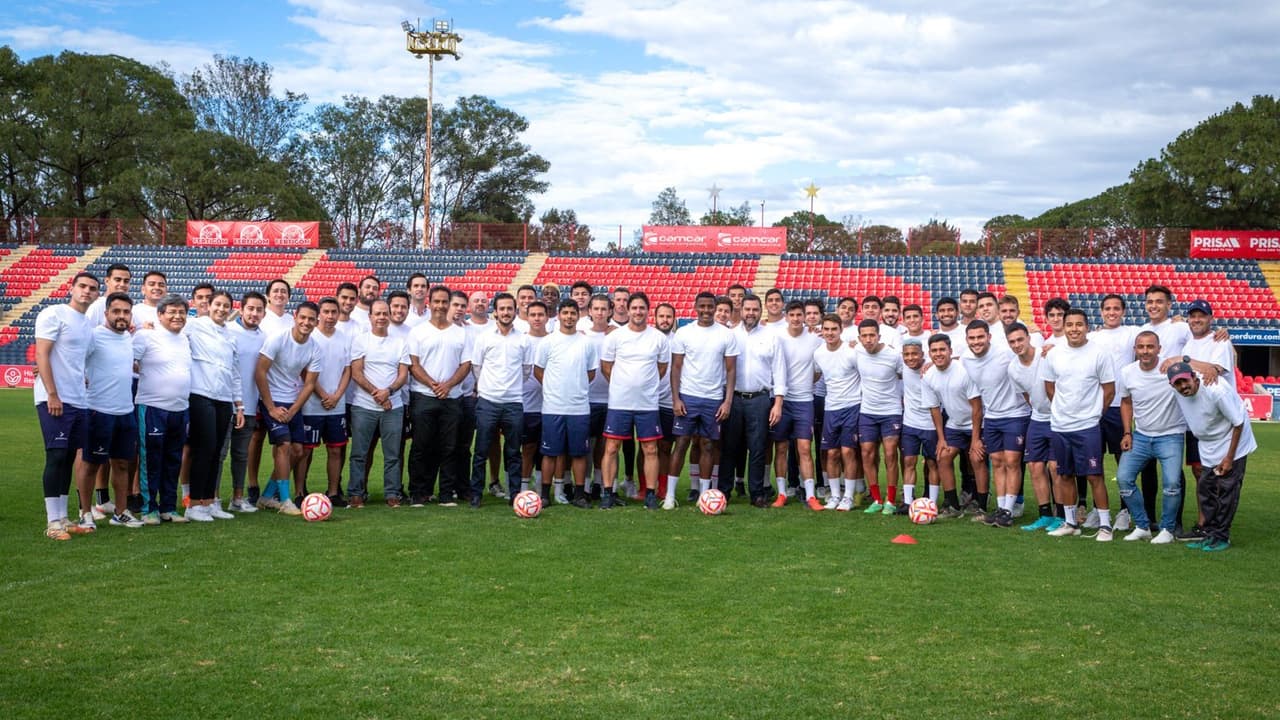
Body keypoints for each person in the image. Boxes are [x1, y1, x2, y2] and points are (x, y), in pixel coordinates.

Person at [35, 272, 98, 539]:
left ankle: (63, 517)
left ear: (96, 294)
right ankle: (52, 523)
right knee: (57, 456)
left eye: (92, 288)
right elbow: (42, 353)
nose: (87, 291)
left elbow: (78, 359)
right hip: (55, 398)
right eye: (82, 286)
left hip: (78, 399)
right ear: (71, 288)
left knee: (70, 457)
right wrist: (52, 393)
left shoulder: (87, 324)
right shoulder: (54, 314)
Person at [1167, 361, 1256, 552]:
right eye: (1177, 383)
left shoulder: (1216, 390)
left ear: (1193, 377)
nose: (1183, 386)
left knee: (1226, 491)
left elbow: (1238, 423)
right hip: (1207, 443)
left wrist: (1229, 458)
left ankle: (1222, 536)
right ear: (1172, 385)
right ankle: (1208, 533)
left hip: (1233, 440)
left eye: (1185, 380)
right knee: (1206, 489)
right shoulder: (1178, 391)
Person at [1044, 309, 1116, 541]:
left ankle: (1105, 526)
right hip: (1060, 426)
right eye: (1070, 324)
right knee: (1065, 475)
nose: (1074, 329)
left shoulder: (1099, 353)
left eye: (1079, 324)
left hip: (1087, 427)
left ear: (1087, 327)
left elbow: (1109, 390)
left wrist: (1093, 415)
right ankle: (1070, 522)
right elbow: (1049, 386)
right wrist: (1063, 410)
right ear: (1064, 327)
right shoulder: (1054, 354)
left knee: (1094, 476)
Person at [78, 292, 143, 528]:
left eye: (126, 312)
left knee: (122, 464)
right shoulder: (94, 336)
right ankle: (85, 513)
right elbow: (74, 360)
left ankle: (121, 512)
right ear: (106, 313)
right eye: (116, 311)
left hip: (125, 411)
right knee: (91, 464)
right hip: (98, 410)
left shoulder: (129, 338)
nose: (121, 316)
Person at [600, 292, 670, 509]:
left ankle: (650, 494)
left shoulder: (658, 338)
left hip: (647, 403)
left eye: (642, 308)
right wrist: (623, 385)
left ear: (648, 311)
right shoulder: (615, 337)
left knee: (650, 449)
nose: (638, 312)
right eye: (635, 308)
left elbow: (661, 368)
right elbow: (606, 367)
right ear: (628, 310)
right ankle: (608, 493)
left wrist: (644, 386)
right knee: (612, 447)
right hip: (619, 403)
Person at [668, 292, 739, 505]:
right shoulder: (684, 333)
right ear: (696, 307)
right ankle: (670, 495)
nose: (706, 310)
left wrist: (727, 401)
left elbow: (731, 370)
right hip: (688, 396)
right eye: (703, 306)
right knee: (681, 443)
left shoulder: (726, 335)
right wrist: (676, 398)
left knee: (708, 445)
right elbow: (676, 367)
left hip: (713, 398)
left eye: (710, 306)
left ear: (714, 308)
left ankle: (704, 495)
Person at [1115, 331, 1186, 544]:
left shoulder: (1170, 369)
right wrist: (1127, 432)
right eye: (1141, 347)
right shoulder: (1127, 372)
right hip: (1141, 436)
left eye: (1150, 346)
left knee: (1172, 483)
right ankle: (1142, 526)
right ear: (1135, 350)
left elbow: (1191, 383)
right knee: (1124, 479)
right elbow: (1126, 402)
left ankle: (1167, 529)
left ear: (1159, 349)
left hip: (1171, 435)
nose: (1145, 351)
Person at [255, 301, 322, 516]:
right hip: (272, 400)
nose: (306, 322)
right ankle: (284, 500)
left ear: (316, 322)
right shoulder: (278, 339)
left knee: (298, 451)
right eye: (303, 317)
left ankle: (267, 496)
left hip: (292, 402)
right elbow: (260, 372)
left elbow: (310, 384)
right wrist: (271, 407)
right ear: (295, 317)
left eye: (311, 319)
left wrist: (293, 410)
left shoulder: (315, 348)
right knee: (284, 445)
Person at [407, 286, 472, 507]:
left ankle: (446, 493)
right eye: (437, 301)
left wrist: (448, 385)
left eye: (445, 302)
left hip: (452, 398)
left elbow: (466, 364)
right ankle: (418, 492)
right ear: (430, 302)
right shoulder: (418, 332)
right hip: (423, 396)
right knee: (421, 446)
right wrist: (433, 385)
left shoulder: (461, 333)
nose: (441, 306)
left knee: (449, 447)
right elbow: (414, 364)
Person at [720, 295, 785, 509]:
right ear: (741, 310)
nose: (751, 313)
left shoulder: (771, 336)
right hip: (733, 398)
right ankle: (724, 491)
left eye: (755, 310)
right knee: (729, 447)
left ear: (760, 311)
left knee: (757, 448)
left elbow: (779, 370)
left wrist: (778, 403)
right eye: (747, 309)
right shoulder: (730, 335)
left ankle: (757, 493)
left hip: (759, 399)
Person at [134, 294, 194, 524]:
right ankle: (149, 508)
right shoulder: (146, 336)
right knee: (151, 459)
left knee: (173, 459)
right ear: (160, 315)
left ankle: (168, 507)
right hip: (152, 407)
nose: (177, 316)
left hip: (180, 409)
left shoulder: (185, 339)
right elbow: (126, 359)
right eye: (172, 312)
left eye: (182, 312)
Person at [963, 319, 1029, 527]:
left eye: (980, 337)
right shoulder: (965, 359)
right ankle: (1001, 508)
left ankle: (1009, 510)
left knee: (1012, 461)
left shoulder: (1005, 353)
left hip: (1015, 414)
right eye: (972, 338)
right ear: (966, 340)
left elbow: (1027, 353)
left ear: (989, 337)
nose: (976, 341)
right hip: (991, 417)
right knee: (997, 462)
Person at [184, 290, 243, 521]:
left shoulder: (231, 335)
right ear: (208, 305)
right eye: (217, 304)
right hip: (201, 394)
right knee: (204, 448)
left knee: (217, 451)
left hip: (224, 399)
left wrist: (239, 404)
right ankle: (193, 505)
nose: (221, 309)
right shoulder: (194, 325)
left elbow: (234, 372)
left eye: (226, 306)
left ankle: (208, 502)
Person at [535, 299, 599, 508]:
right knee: (550, 453)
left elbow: (591, 373)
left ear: (578, 316)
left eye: (573, 313)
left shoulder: (587, 343)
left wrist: (575, 388)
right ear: (559, 315)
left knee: (579, 453)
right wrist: (553, 389)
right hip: (553, 407)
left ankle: (579, 495)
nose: (569, 317)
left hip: (579, 408)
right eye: (565, 313)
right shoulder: (548, 341)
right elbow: (538, 371)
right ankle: (545, 495)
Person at [468, 292, 530, 507]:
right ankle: (476, 493)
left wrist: (510, 388)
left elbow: (526, 370)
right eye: (502, 309)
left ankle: (515, 494)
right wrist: (490, 387)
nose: (506, 312)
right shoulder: (484, 338)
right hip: (488, 401)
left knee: (513, 452)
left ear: (515, 311)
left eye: (509, 309)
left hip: (513, 403)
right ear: (495, 312)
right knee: (481, 450)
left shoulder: (523, 339)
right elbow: (477, 367)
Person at [347, 299, 409, 508]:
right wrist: (378, 395)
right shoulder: (361, 340)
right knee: (359, 453)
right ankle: (356, 493)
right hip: (364, 406)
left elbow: (403, 375)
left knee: (392, 454)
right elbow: (357, 373)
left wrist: (388, 392)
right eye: (378, 314)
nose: (382, 317)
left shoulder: (400, 342)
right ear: (370, 316)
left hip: (394, 406)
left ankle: (392, 493)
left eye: (385, 313)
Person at [1006, 323, 1063, 533]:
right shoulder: (1013, 368)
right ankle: (1045, 515)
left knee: (1055, 468)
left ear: (1029, 338)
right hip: (1037, 419)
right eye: (1012, 342)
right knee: (1035, 467)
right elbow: (1027, 395)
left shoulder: (1046, 355)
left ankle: (1062, 516)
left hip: (1058, 418)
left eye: (1020, 339)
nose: (1017, 345)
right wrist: (1039, 409)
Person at [920, 334, 983, 519]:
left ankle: (980, 505)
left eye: (942, 349)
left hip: (975, 423)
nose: (938, 354)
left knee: (976, 458)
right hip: (954, 424)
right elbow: (934, 409)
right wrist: (941, 439)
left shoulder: (963, 372)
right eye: (934, 350)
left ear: (950, 351)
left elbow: (977, 408)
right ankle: (953, 506)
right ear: (929, 353)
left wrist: (975, 440)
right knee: (943, 456)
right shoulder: (928, 376)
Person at [296, 297, 351, 506]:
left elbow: (348, 370)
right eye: (326, 312)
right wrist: (322, 394)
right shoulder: (311, 337)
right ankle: (300, 492)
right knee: (306, 450)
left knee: (335, 449)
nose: (330, 316)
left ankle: (334, 492)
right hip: (311, 404)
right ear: (319, 314)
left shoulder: (344, 338)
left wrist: (336, 396)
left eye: (333, 312)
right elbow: (304, 370)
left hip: (337, 405)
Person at [771, 301, 823, 510]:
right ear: (786, 317)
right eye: (791, 315)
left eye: (799, 315)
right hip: (782, 400)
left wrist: (806, 382)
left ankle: (810, 495)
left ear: (804, 317)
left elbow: (818, 370)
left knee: (804, 448)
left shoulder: (815, 340)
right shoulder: (777, 338)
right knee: (781, 447)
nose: (795, 318)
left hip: (804, 401)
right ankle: (782, 493)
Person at [813, 314, 862, 512]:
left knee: (848, 451)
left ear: (841, 330)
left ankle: (848, 496)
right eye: (826, 329)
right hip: (831, 408)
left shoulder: (852, 352)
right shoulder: (818, 354)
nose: (830, 333)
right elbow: (816, 375)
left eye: (834, 329)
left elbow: (864, 375)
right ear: (822, 331)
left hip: (852, 406)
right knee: (831, 453)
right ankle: (834, 495)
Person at [854, 319, 904, 514]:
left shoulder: (893, 355)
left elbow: (905, 374)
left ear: (879, 336)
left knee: (890, 454)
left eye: (872, 335)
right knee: (867, 453)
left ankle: (890, 500)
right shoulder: (857, 352)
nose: (868, 339)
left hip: (891, 411)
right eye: (864, 336)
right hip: (867, 411)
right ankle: (876, 499)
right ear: (859, 338)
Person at [227, 292, 267, 512]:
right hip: (225, 402)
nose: (254, 313)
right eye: (250, 308)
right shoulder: (227, 331)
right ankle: (211, 499)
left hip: (250, 404)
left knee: (241, 455)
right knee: (218, 454)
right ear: (241, 310)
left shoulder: (264, 338)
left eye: (259, 309)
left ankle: (237, 498)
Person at [898, 338, 937, 508]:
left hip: (931, 425)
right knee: (909, 461)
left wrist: (932, 363)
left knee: (932, 463)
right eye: (906, 354)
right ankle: (908, 502)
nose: (910, 358)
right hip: (910, 423)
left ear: (922, 354)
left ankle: (932, 503)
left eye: (914, 354)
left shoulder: (933, 369)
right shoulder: (902, 367)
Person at [519, 300, 549, 498]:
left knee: (547, 449)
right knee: (528, 447)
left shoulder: (554, 339)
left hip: (550, 404)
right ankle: (523, 487)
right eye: (533, 315)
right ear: (527, 317)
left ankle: (541, 486)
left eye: (540, 314)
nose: (537, 318)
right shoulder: (522, 340)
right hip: (527, 404)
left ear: (547, 317)